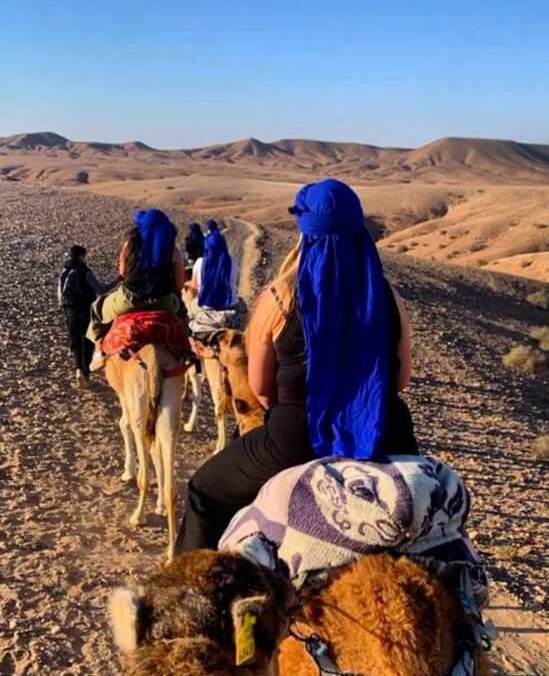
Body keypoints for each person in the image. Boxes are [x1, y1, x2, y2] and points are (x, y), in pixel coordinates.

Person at [175, 178, 419, 554]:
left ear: (305, 233)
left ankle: (194, 603)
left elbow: (260, 388)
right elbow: (400, 381)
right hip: (385, 431)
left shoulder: (280, 296)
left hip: (296, 437)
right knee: (428, 518)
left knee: (204, 493)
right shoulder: (389, 296)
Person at [87, 208, 185, 369]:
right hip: (164, 301)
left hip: (129, 299)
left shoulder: (128, 246)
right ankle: (187, 351)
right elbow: (179, 285)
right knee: (183, 314)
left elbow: (122, 273)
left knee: (97, 308)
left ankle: (99, 353)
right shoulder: (174, 252)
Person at [58, 245, 120, 386]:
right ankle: (86, 375)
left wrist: (65, 309)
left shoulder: (64, 272)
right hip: (86, 310)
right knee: (87, 341)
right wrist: (117, 281)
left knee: (75, 342)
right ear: (81, 256)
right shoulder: (85, 271)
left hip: (69, 311)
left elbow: (60, 293)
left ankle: (78, 369)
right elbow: (100, 289)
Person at [190, 220, 239, 306]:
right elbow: (235, 285)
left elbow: (194, 286)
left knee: (188, 308)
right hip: (231, 303)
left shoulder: (199, 262)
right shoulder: (232, 261)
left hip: (205, 305)